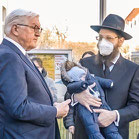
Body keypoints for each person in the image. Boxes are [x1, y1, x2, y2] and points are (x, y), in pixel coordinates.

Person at [0, 9, 71, 139]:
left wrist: (50, 106)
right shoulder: (9, 56)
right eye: (34, 28)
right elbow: (18, 108)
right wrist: (55, 111)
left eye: (40, 29)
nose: (38, 34)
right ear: (15, 29)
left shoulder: (18, 54)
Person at [70, 14, 139, 139]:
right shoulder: (85, 63)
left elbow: (136, 106)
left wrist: (115, 115)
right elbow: (69, 94)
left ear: (120, 40)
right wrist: (77, 96)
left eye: (109, 38)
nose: (103, 42)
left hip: (115, 133)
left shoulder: (133, 70)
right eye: (100, 37)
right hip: (84, 134)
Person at [61, 60, 122, 139]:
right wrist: (70, 124)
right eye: (80, 77)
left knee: (112, 131)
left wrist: (109, 83)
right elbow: (70, 109)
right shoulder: (73, 88)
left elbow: (101, 81)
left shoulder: (92, 78)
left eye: (83, 75)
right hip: (86, 111)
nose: (83, 78)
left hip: (102, 106)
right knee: (93, 131)